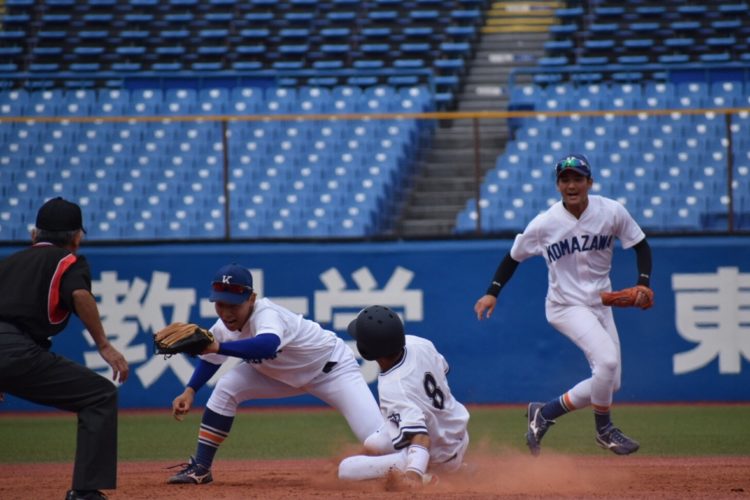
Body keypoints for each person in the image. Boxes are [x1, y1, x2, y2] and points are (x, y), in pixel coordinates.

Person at [474, 153, 653, 456]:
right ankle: (604, 429)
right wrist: (493, 291)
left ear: (589, 182)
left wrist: (644, 282)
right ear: (557, 185)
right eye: (565, 179)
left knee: (610, 382)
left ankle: (544, 414)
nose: (571, 185)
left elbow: (640, 245)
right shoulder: (545, 224)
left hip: (600, 304)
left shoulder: (611, 212)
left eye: (577, 178)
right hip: (565, 307)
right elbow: (513, 257)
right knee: (607, 364)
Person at [167, 263, 388, 484]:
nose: (226, 313)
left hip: (332, 370)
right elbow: (210, 360)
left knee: (377, 442)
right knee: (226, 387)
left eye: (233, 305)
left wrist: (218, 347)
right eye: (220, 304)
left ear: (251, 298)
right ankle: (201, 468)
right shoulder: (223, 328)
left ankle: (410, 462)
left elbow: (267, 345)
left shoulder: (267, 314)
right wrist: (190, 391)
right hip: (275, 374)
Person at [0, 197, 130, 500]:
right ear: (77, 237)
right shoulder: (68, 261)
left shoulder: (7, 263)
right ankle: (85, 491)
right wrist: (104, 345)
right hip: (15, 349)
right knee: (100, 395)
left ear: (35, 234)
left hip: (13, 347)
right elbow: (81, 295)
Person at [338, 305, 470, 487]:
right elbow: (443, 370)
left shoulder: (395, 387)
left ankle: (431, 475)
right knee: (373, 443)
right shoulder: (419, 343)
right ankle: (454, 464)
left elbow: (421, 437)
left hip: (438, 456)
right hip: (457, 433)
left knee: (346, 469)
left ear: (367, 351)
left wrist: (413, 476)